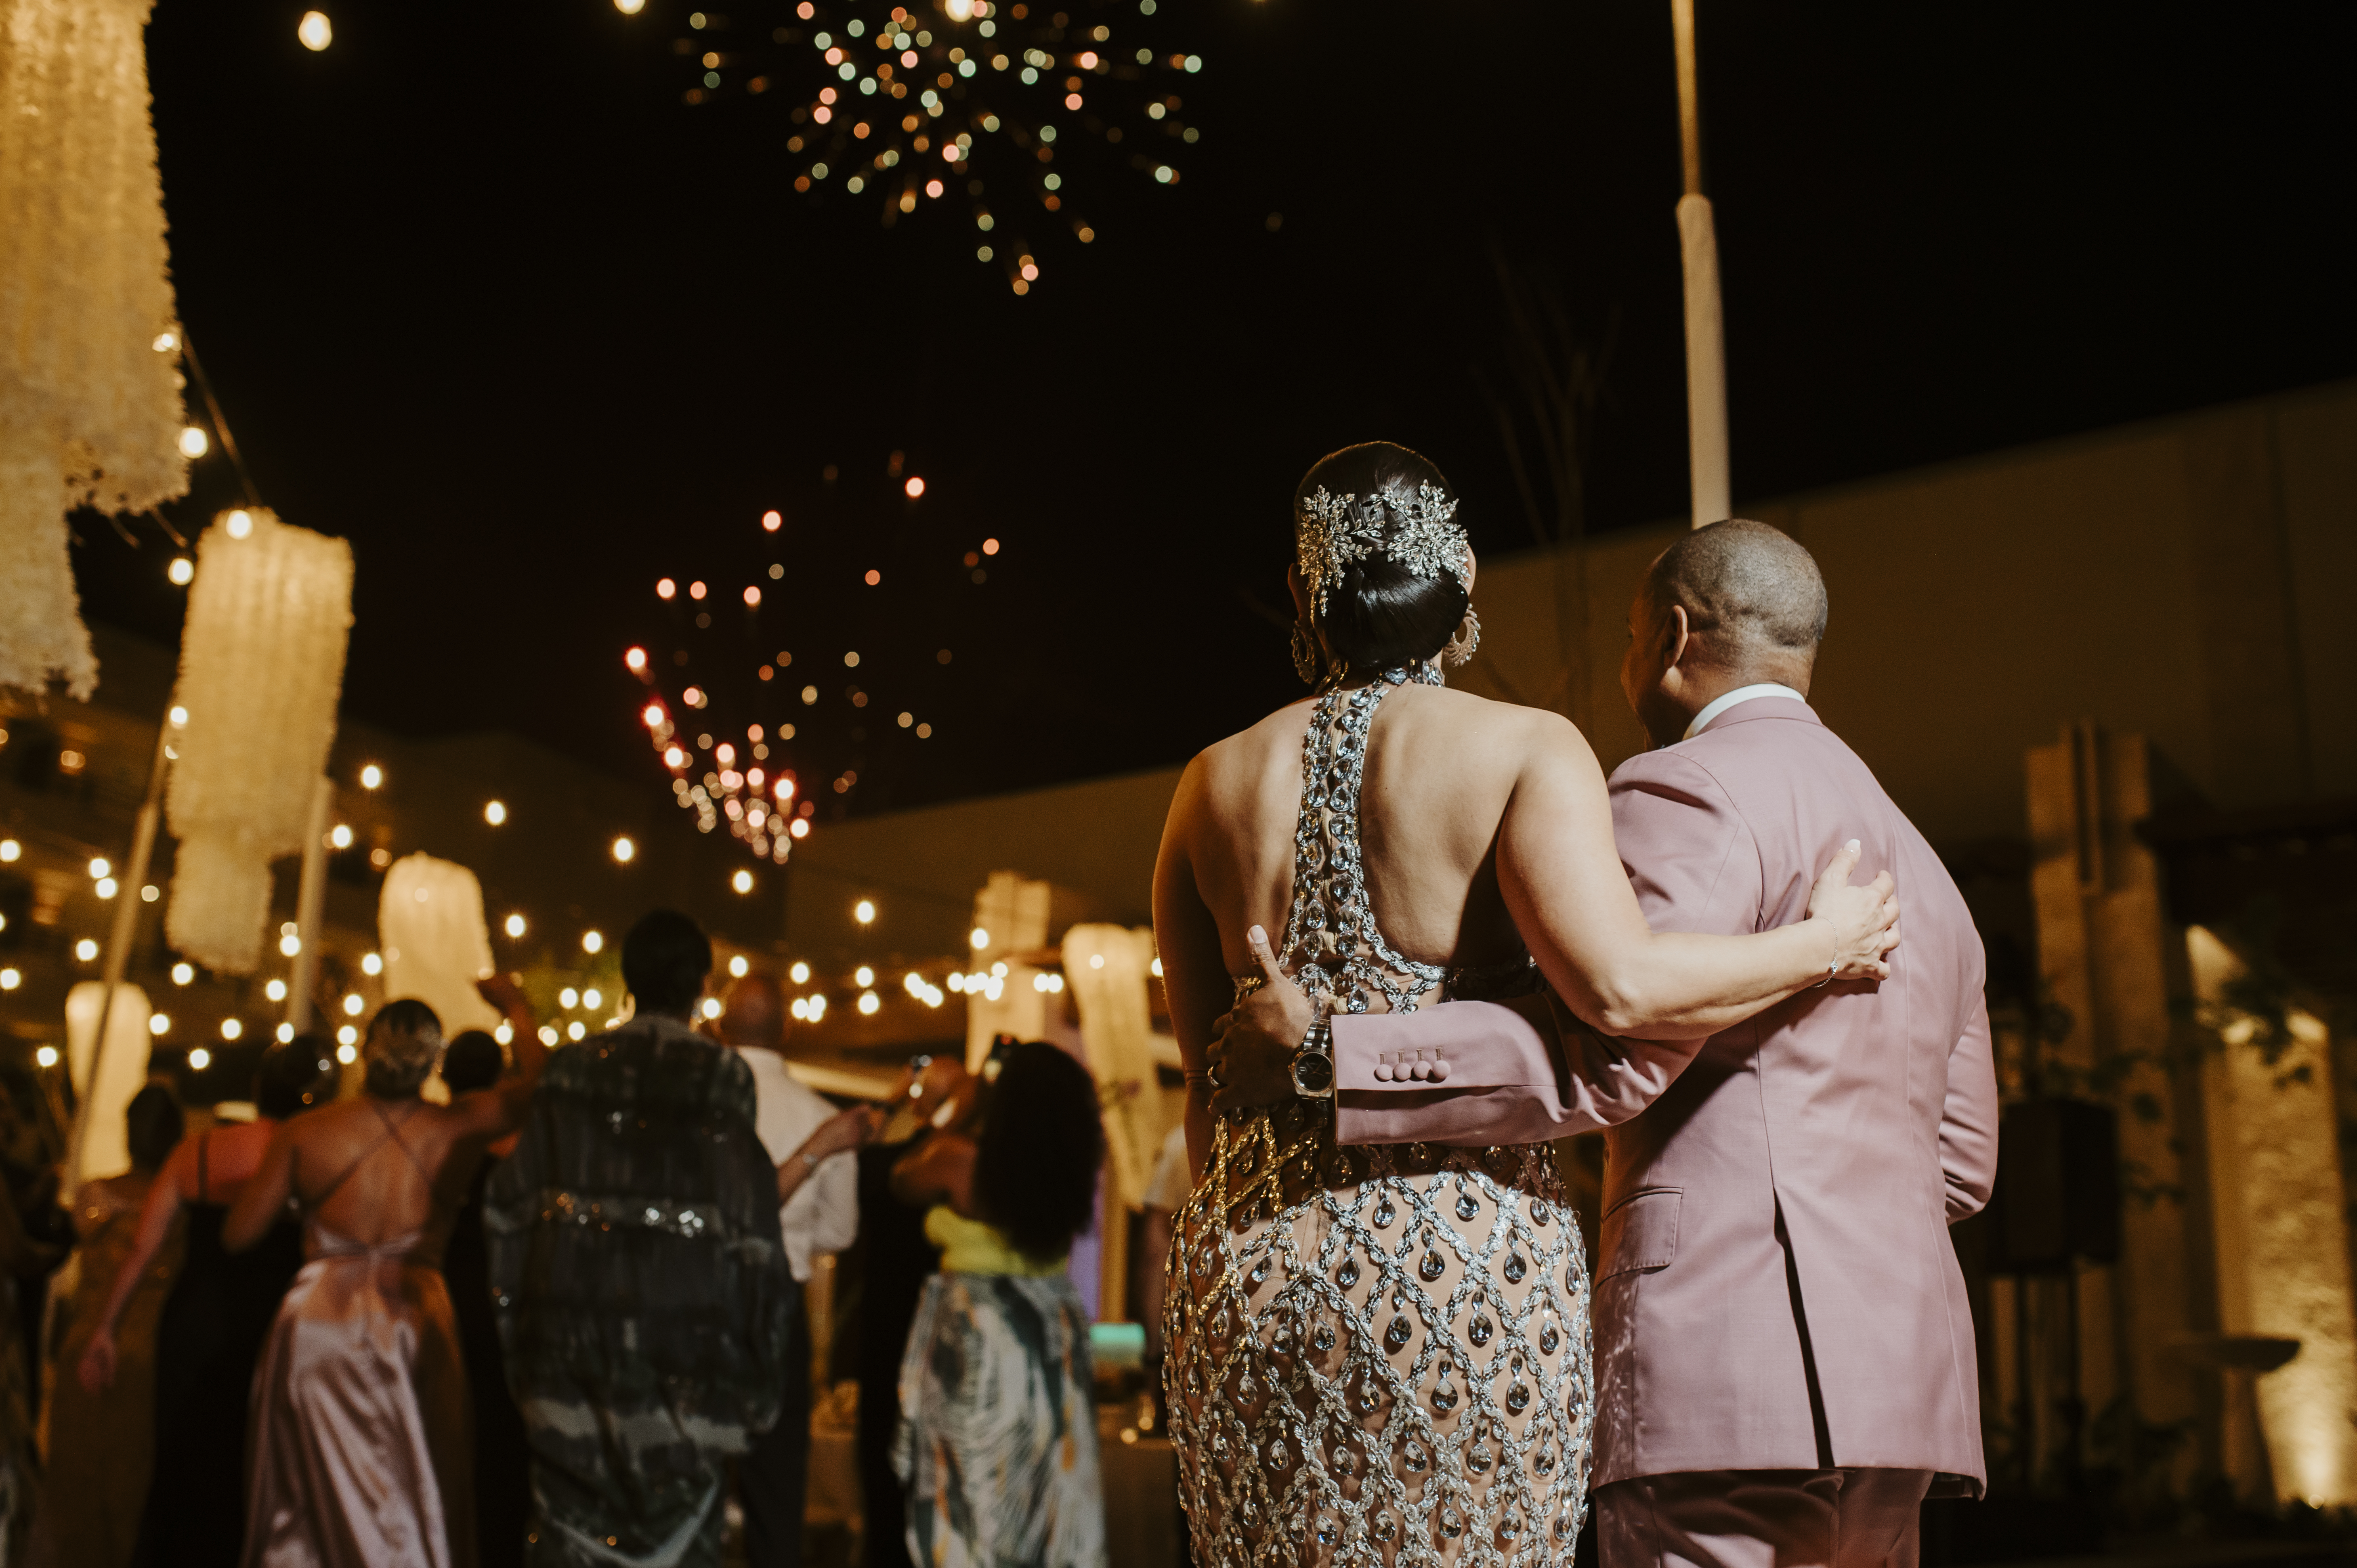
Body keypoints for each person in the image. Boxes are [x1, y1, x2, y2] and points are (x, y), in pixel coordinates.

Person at [1151, 444, 1902, 1566]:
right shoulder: (1521, 747)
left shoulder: (1205, 784)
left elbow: (1209, 1100)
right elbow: (1619, 988)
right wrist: (1823, 941)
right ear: (1458, 594)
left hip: (1253, 1270)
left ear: (1310, 598)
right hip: (1464, 1265)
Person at [487, 911, 795, 1568]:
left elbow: (510, 1208)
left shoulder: (572, 1070)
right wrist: (759, 1374)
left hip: (573, 1343)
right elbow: (753, 1232)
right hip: (686, 1349)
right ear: (702, 985)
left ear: (629, 977)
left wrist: (522, 1337)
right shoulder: (722, 1078)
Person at [226, 977, 542, 1568]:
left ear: (366, 1050)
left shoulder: (308, 1131)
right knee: (417, 1474)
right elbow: (548, 1088)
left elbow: (239, 1233)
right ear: (432, 1061)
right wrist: (517, 1010)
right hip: (414, 1313)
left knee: (307, 1491)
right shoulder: (459, 1127)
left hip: (318, 1320)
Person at [81, 1039, 337, 1568]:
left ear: (256, 1089)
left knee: (182, 1461)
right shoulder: (318, 1154)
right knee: (263, 1468)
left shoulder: (197, 1151)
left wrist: (106, 1327)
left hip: (194, 1320)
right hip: (279, 1325)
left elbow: (141, 1248)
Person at [890, 1041, 1107, 1568]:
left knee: (971, 1489)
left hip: (979, 1329)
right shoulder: (1071, 1170)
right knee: (1049, 1491)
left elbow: (900, 1181)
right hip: (1055, 1328)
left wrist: (963, 1108)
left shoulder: (958, 1161)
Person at [715, 971, 875, 1568]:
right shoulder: (823, 1116)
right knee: (777, 1487)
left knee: (698, 1474)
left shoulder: (703, 1108)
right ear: (787, 1027)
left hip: (705, 1299)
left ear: (720, 1026)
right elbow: (840, 1233)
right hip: (781, 1302)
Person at [31, 1085, 185, 1568]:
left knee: (82, 1476)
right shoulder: (183, 1203)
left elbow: (74, 1228)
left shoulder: (96, 1194)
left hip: (91, 1342)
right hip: (155, 1353)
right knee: (138, 1477)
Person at [850, 1056, 961, 1568]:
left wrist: (894, 1098)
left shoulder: (886, 1167)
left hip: (887, 1339)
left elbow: (861, 1147)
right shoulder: (970, 1167)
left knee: (882, 1473)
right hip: (948, 1343)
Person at [439, 1027, 535, 1568]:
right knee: (499, 1445)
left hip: (439, 1300)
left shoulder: (431, 1136)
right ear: (499, 1079)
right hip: (505, 1306)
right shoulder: (520, 1146)